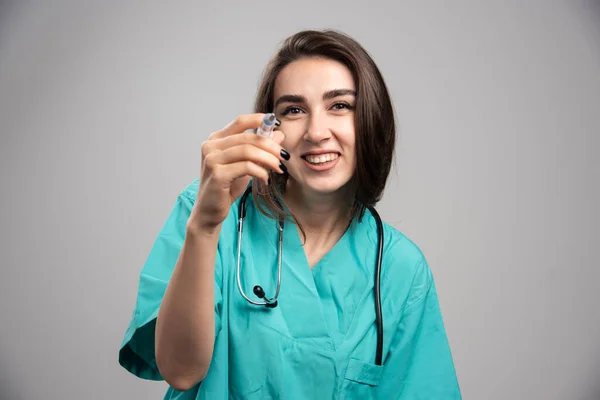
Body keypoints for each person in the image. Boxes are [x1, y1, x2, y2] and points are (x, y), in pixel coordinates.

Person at [118, 29, 462, 399]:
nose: (316, 132)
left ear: (371, 119)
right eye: (294, 110)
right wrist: (205, 226)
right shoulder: (212, 210)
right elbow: (181, 371)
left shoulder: (399, 269)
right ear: (271, 128)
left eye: (340, 106)